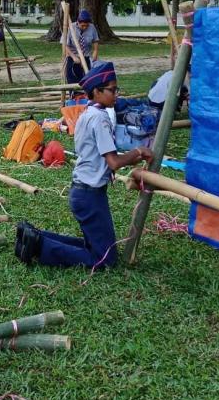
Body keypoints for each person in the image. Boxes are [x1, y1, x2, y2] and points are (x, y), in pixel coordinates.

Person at [16, 61, 153, 268]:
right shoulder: (100, 119)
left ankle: (36, 236)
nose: (116, 94)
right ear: (96, 92)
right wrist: (138, 151)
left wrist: (134, 157)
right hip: (90, 195)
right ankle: (39, 246)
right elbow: (114, 162)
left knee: (96, 247)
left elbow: (104, 156)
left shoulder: (86, 114)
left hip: (82, 191)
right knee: (105, 259)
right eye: (112, 90)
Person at [64, 9, 100, 86]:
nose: (84, 27)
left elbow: (95, 41)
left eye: (86, 25)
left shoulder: (92, 27)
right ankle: (74, 95)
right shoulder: (71, 27)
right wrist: (74, 57)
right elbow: (65, 45)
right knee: (73, 80)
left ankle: (85, 96)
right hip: (73, 57)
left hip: (86, 56)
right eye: (82, 25)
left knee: (87, 79)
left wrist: (95, 52)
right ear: (78, 22)